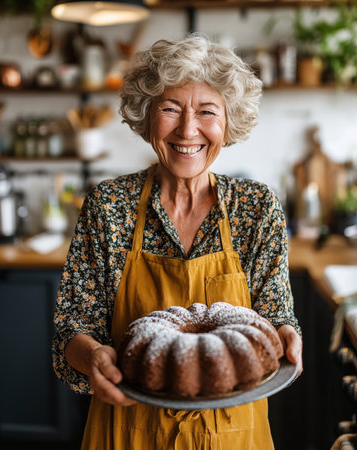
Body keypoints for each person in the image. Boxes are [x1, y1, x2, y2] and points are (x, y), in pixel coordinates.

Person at [52, 34, 303, 449]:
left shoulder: (257, 209)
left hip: (233, 436)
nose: (188, 130)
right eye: (170, 109)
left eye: (207, 111)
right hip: (125, 432)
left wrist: (288, 335)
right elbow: (71, 333)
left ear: (229, 121)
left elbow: (277, 318)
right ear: (147, 116)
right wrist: (92, 356)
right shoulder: (108, 206)